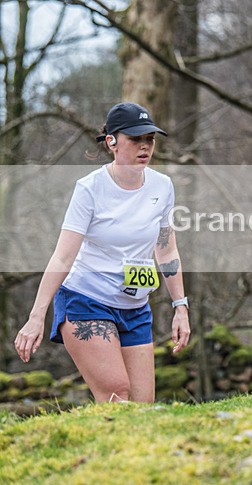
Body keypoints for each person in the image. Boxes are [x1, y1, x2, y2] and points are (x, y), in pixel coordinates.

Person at [14, 102, 191, 401]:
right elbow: (62, 257)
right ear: (111, 141)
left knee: (141, 407)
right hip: (87, 301)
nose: (145, 146)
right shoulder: (90, 188)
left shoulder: (163, 186)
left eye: (150, 139)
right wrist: (36, 316)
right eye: (135, 139)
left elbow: (166, 248)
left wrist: (180, 307)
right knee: (117, 394)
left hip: (135, 308)